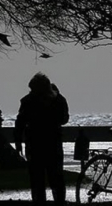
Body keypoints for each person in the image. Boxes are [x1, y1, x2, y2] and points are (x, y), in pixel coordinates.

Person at [14, 72, 70, 206]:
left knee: (37, 180)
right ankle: (60, 202)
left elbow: (20, 123)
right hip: (53, 143)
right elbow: (64, 119)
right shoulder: (58, 100)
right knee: (56, 178)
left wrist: (18, 142)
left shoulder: (27, 101)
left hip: (34, 144)